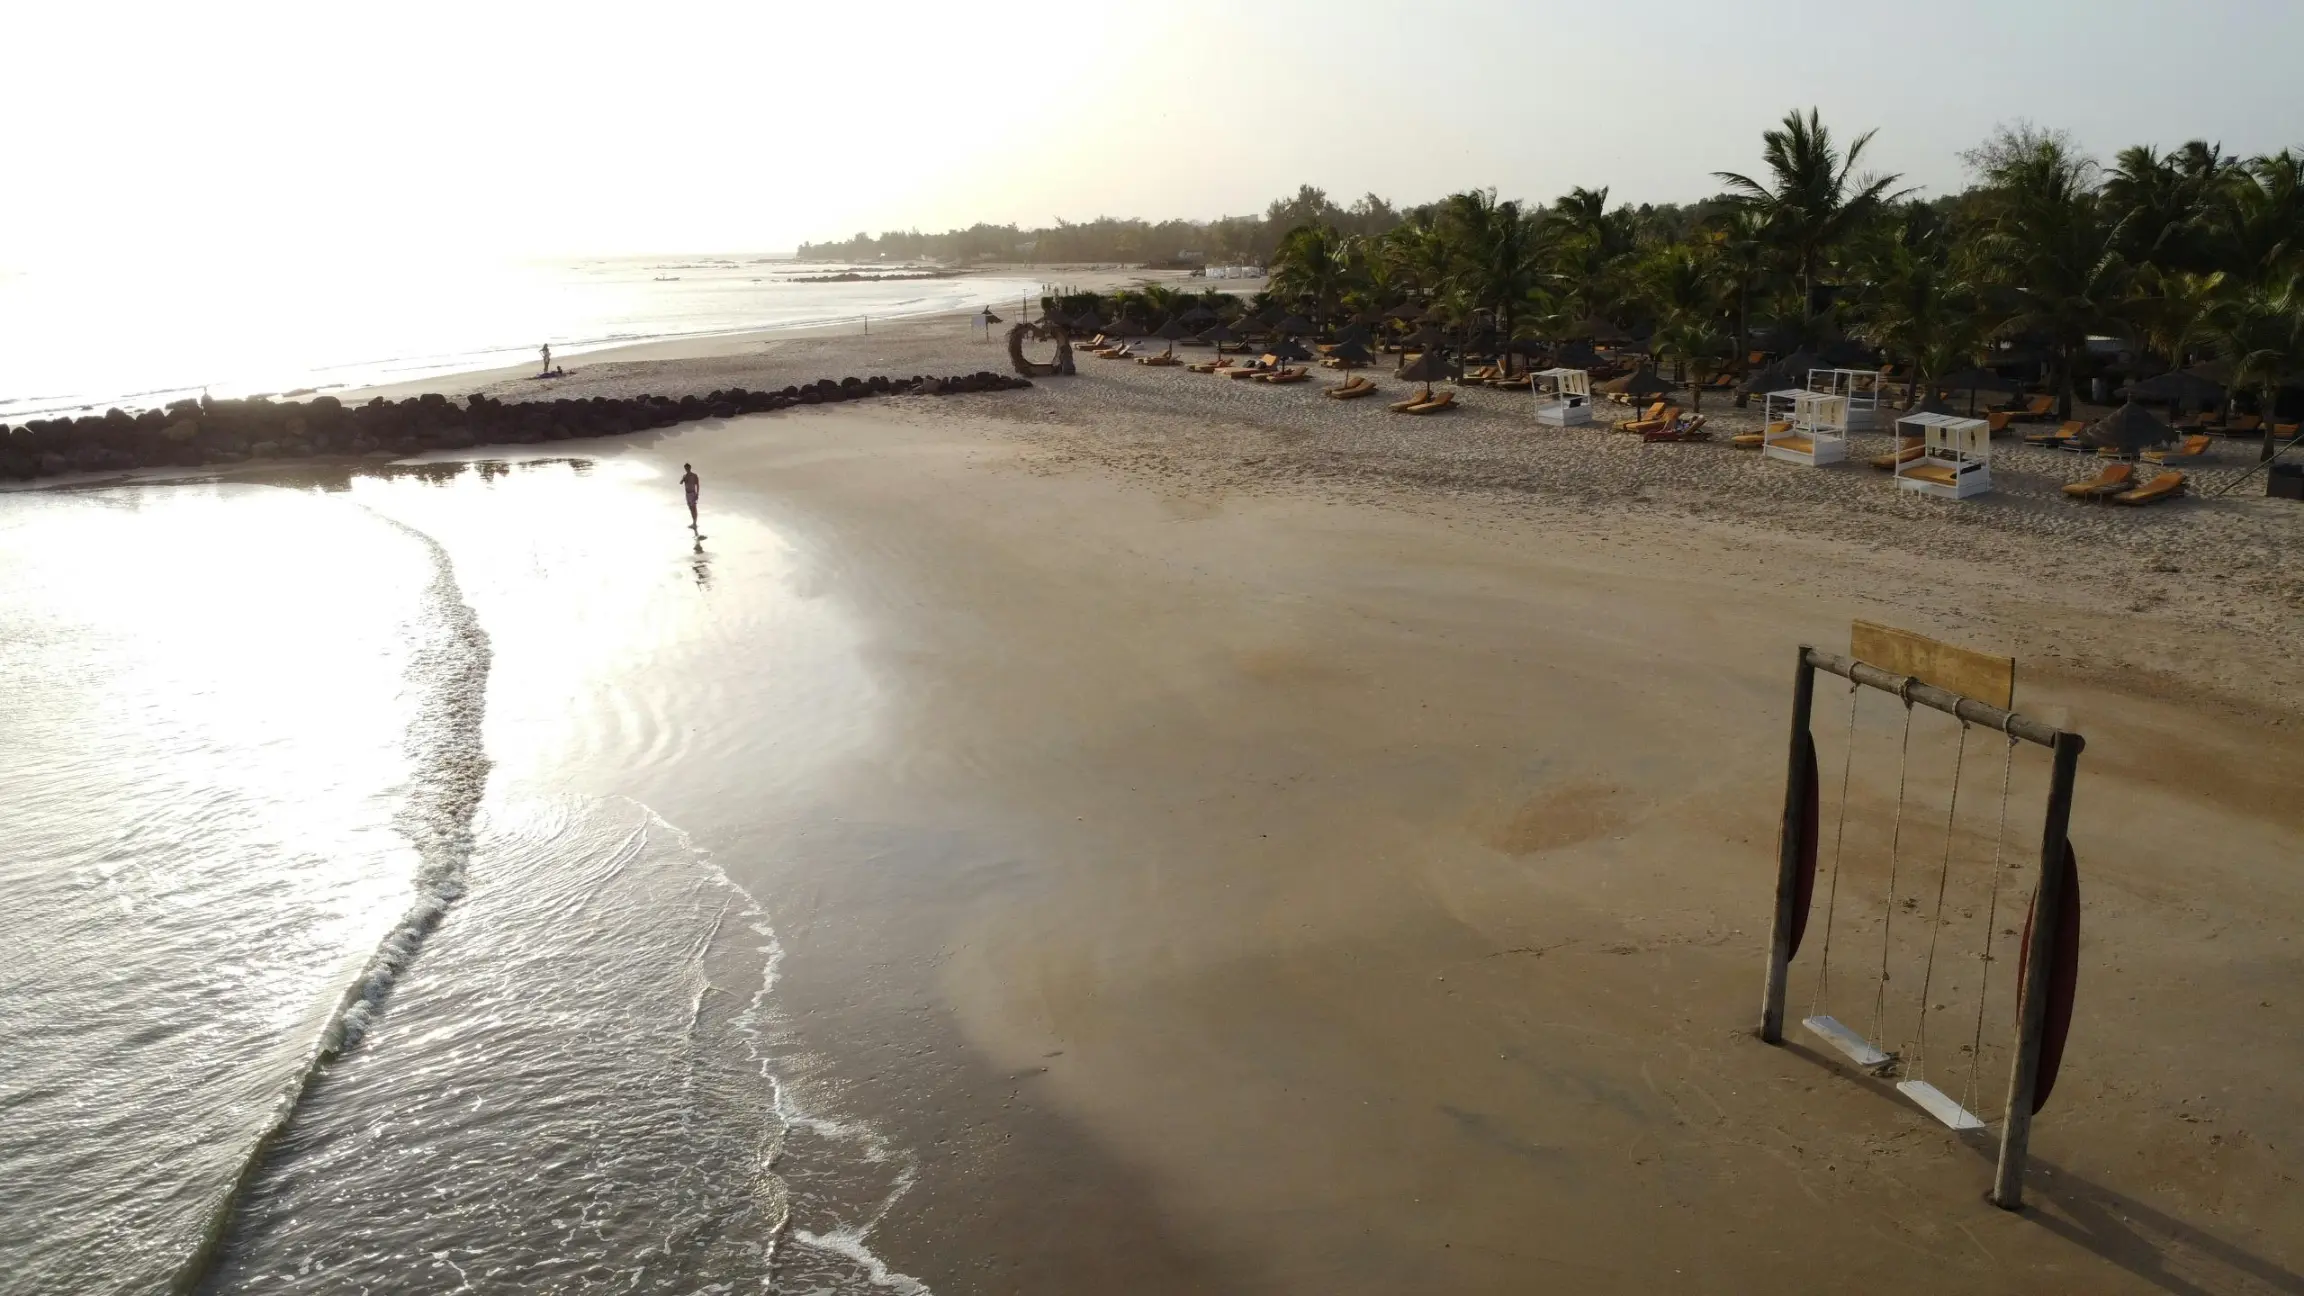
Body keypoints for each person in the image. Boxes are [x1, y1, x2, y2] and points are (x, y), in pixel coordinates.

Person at [680, 463, 701, 529]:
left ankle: (695, 523)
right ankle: (693, 522)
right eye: (685, 468)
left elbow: (697, 484)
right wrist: (683, 478)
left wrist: (697, 493)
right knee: (690, 508)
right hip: (687, 494)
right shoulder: (685, 476)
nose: (686, 469)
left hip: (692, 493)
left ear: (690, 468)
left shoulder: (694, 475)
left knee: (694, 508)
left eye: (687, 468)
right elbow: (680, 483)